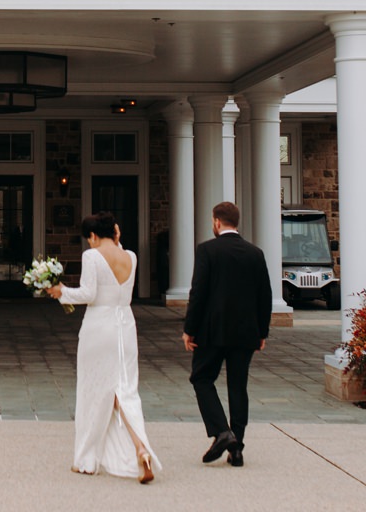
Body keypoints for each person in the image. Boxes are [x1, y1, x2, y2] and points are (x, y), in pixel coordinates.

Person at [46, 211, 159, 484]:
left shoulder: (92, 256)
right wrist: (116, 237)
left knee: (94, 390)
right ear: (115, 232)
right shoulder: (130, 256)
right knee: (125, 390)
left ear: (93, 236)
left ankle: (86, 459)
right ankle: (140, 448)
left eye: (89, 239)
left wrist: (61, 292)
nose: (89, 244)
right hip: (125, 326)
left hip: (99, 327)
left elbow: (88, 294)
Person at [182, 201, 272, 468]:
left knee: (201, 378)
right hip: (246, 333)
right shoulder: (255, 253)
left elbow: (198, 292)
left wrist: (189, 329)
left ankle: (222, 432)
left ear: (217, 222)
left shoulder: (207, 250)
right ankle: (237, 449)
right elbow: (264, 296)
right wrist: (262, 331)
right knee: (238, 386)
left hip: (211, 331)